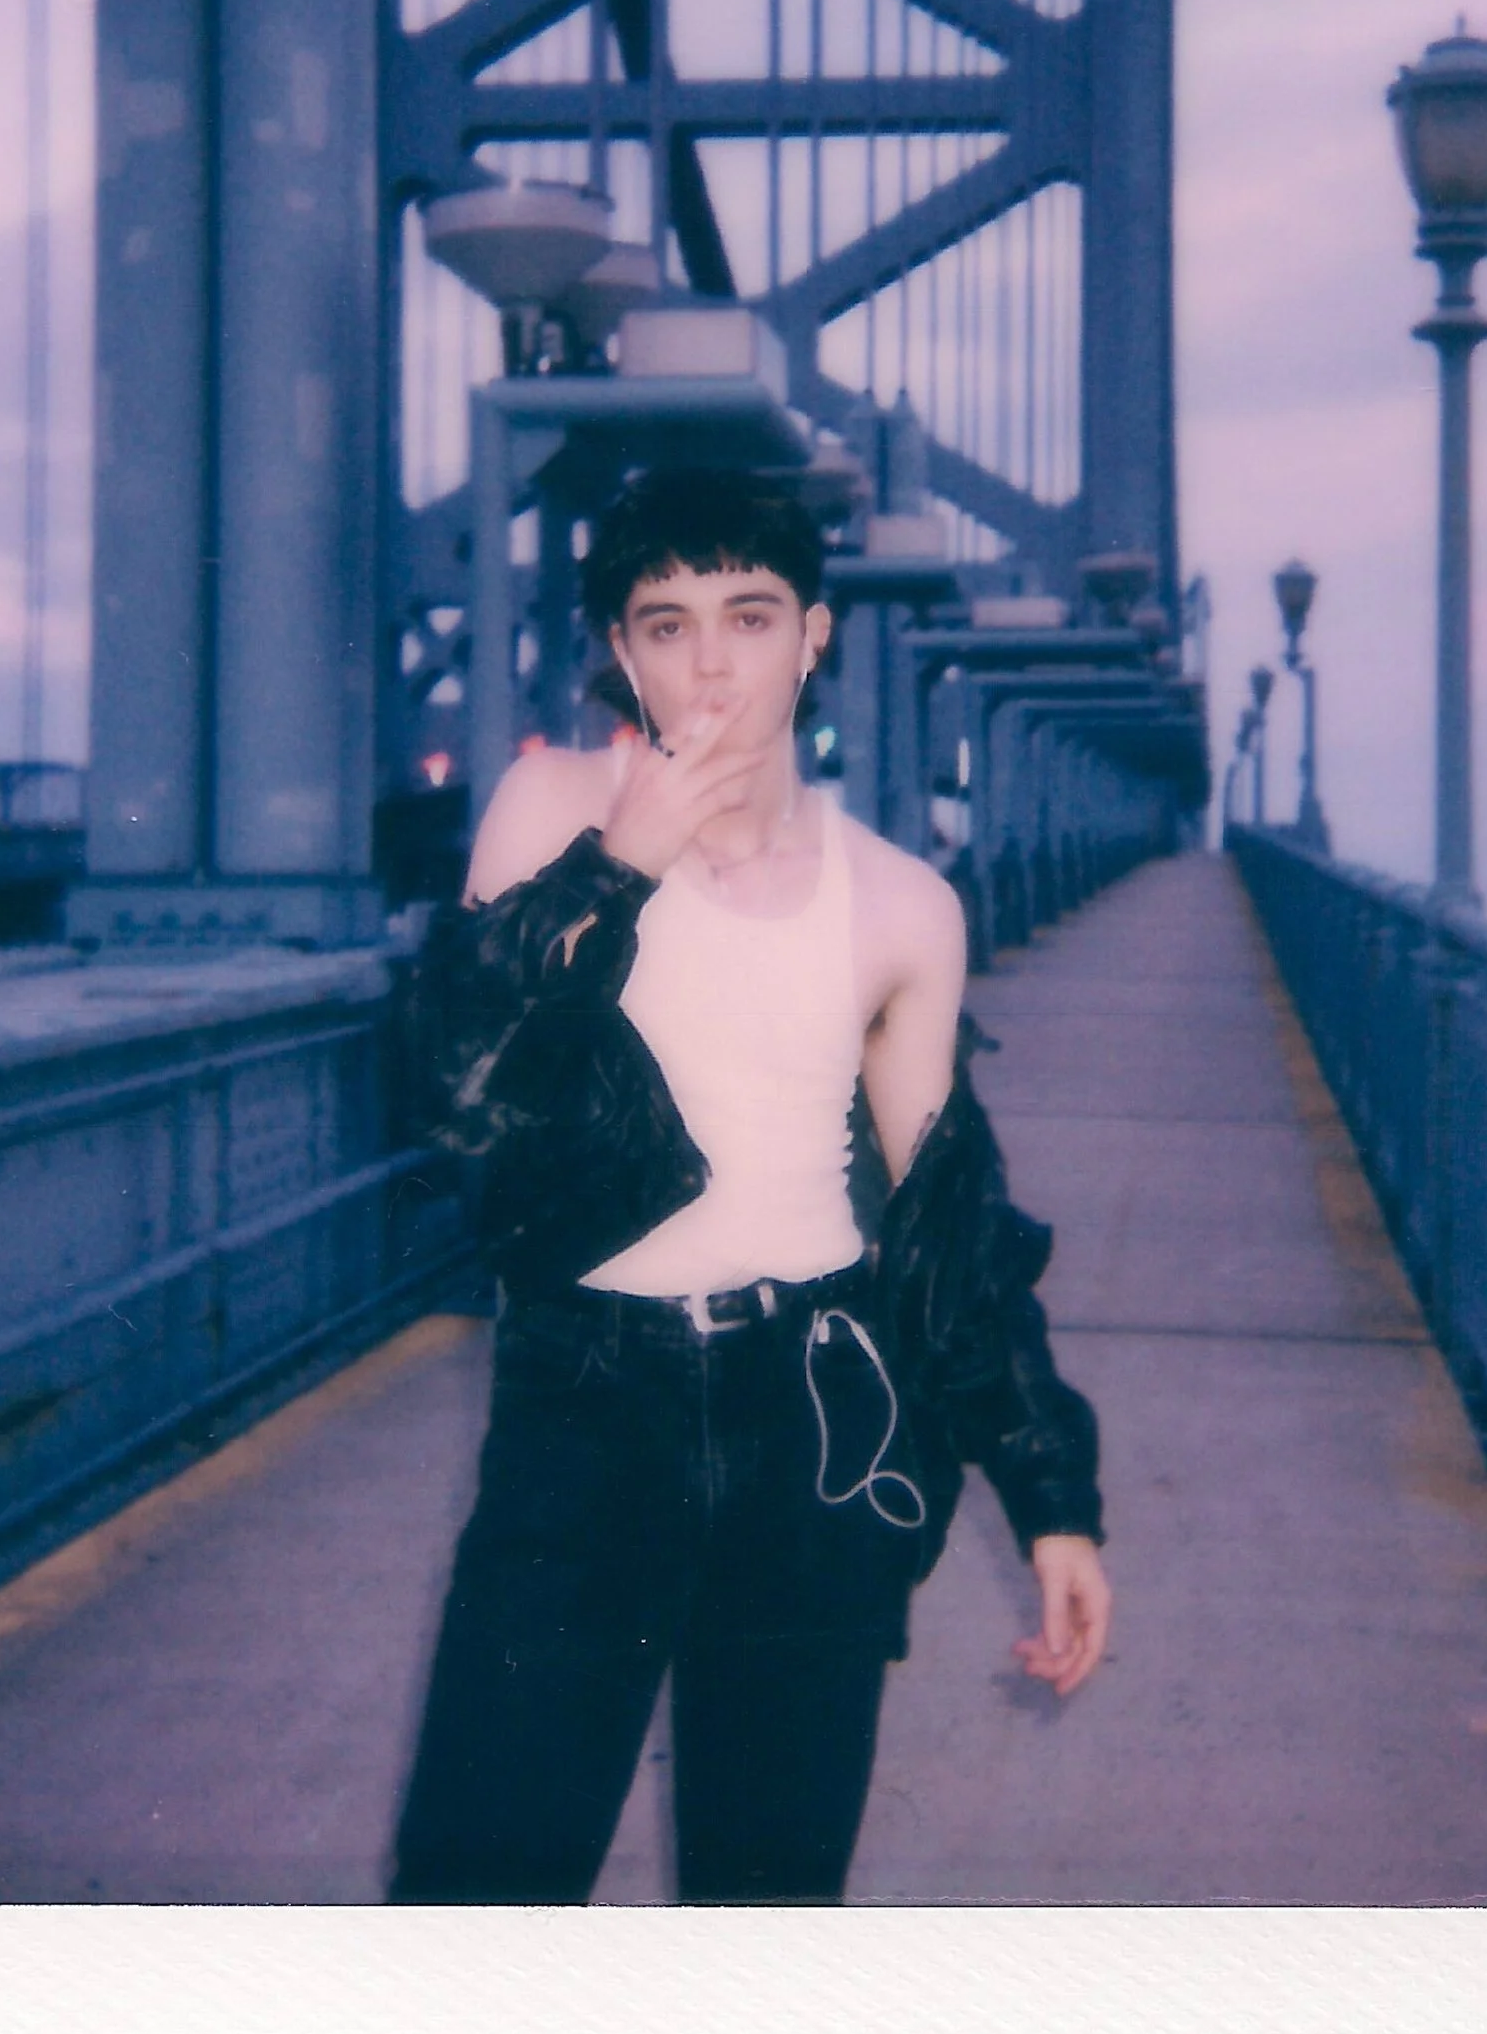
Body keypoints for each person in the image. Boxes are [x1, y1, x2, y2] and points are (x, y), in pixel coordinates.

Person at [387, 464, 1111, 1905]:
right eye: (666, 623)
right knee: (478, 1895)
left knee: (765, 1909)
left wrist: (1053, 1498)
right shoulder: (550, 809)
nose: (711, 663)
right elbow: (452, 1083)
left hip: (818, 1429)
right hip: (582, 1417)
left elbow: (948, 1225)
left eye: (750, 614)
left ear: (814, 635)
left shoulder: (903, 902)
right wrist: (620, 866)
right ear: (622, 649)